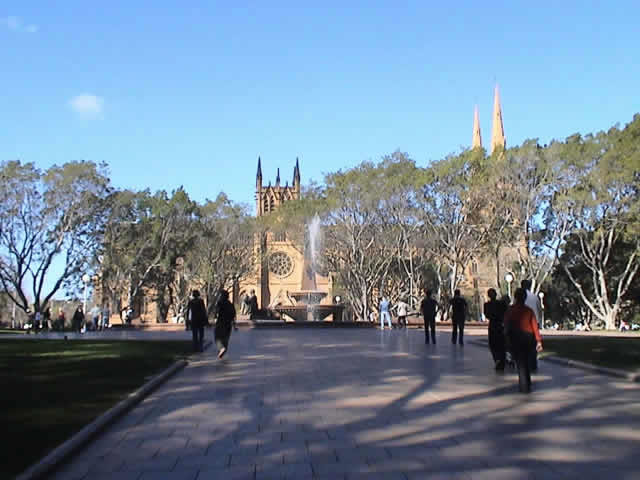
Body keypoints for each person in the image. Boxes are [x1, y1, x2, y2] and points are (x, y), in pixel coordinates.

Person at [504, 288, 543, 393]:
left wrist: (506, 339)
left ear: (515, 297)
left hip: (515, 337)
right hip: (528, 337)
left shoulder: (510, 310)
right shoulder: (529, 311)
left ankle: (524, 385)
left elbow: (506, 325)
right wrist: (538, 340)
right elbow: (534, 326)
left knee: (520, 362)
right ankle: (527, 382)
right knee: (526, 360)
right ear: (525, 298)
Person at [521, 280, 542, 371]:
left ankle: (524, 363)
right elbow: (539, 310)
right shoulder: (535, 297)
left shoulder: (520, 297)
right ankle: (533, 364)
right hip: (534, 323)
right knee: (533, 345)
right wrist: (539, 323)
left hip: (522, 324)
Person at [484, 289, 507, 370]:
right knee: (501, 344)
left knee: (493, 344)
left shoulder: (487, 305)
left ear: (488, 296)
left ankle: (497, 359)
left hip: (493, 325)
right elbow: (506, 312)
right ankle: (501, 361)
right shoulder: (501, 304)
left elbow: (487, 315)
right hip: (500, 325)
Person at [215, 289, 237, 358]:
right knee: (226, 338)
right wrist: (234, 325)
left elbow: (216, 312)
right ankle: (224, 349)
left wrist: (215, 317)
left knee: (217, 337)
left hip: (220, 323)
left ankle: (221, 348)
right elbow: (233, 315)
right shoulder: (230, 304)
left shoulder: (220, 303)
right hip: (228, 324)